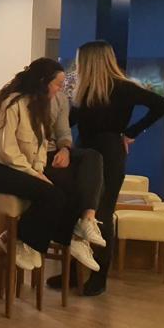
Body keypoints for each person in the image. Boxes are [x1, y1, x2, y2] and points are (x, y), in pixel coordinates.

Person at [0, 58, 101, 276]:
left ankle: (69, 239)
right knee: (52, 195)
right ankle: (21, 241)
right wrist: (33, 173)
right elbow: (7, 150)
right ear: (43, 82)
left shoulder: (39, 106)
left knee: (69, 188)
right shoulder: (12, 103)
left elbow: (40, 145)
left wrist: (39, 169)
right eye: (57, 84)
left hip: (16, 166)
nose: (60, 89)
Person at [69, 40, 164, 296]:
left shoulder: (121, 87)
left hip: (106, 152)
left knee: (102, 212)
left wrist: (131, 132)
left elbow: (162, 105)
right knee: (80, 210)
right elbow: (69, 121)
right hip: (87, 153)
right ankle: (74, 272)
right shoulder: (86, 90)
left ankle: (99, 276)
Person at [42, 81, 107, 291]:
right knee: (75, 184)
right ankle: (76, 237)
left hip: (54, 152)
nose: (60, 87)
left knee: (93, 157)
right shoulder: (23, 100)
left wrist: (65, 150)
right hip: (35, 156)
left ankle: (87, 219)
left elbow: (64, 132)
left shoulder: (60, 99)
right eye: (57, 83)